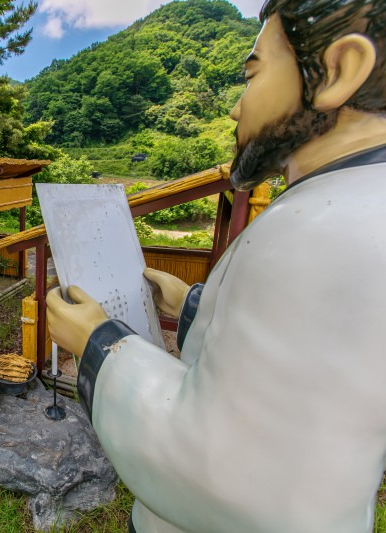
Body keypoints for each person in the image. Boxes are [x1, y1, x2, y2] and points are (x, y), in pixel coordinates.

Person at [47, 1, 386, 531]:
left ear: (339, 70)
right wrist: (191, 303)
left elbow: (233, 474)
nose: (234, 110)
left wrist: (98, 343)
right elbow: (278, 369)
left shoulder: (327, 232)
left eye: (252, 75)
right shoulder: (349, 205)